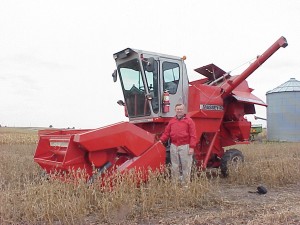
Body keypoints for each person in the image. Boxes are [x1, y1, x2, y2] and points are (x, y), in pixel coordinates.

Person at [159, 103, 197, 185]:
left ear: (184, 110)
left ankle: (185, 185)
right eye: (177, 109)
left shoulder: (189, 121)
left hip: (185, 146)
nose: (179, 110)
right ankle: (175, 183)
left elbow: (193, 135)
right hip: (174, 146)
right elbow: (166, 133)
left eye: (181, 109)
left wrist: (192, 147)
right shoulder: (172, 121)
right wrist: (161, 141)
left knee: (186, 166)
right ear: (175, 110)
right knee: (174, 166)